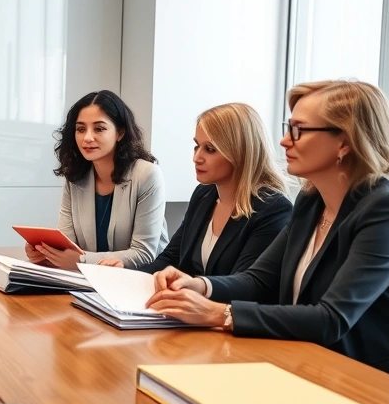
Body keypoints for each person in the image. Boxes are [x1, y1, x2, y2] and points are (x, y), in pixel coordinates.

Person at [147, 80, 389, 378]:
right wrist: (200, 286)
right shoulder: (310, 201)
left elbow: (331, 319)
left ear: (344, 142)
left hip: (376, 378)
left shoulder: (387, 210)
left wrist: (218, 313)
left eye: (298, 130)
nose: (283, 141)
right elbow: (257, 281)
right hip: (308, 360)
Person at [107, 103, 292, 276]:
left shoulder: (273, 208)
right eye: (197, 146)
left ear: (240, 153)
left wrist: (193, 287)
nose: (196, 157)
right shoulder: (204, 194)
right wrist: (128, 275)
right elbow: (171, 258)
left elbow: (246, 284)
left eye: (210, 149)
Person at [27, 90, 167, 270]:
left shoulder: (147, 174)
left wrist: (81, 261)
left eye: (99, 129)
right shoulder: (75, 177)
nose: (87, 138)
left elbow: (143, 252)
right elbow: (68, 244)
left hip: (141, 282)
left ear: (120, 133)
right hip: (90, 282)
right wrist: (46, 252)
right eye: (80, 129)